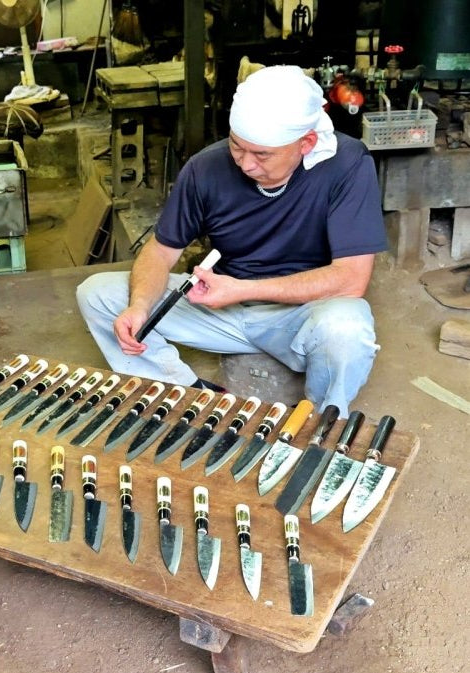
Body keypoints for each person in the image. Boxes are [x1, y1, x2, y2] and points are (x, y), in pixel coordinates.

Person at [76, 65, 387, 417]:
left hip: (301, 316)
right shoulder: (205, 168)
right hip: (221, 309)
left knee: (347, 328)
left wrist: (242, 288)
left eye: (262, 155)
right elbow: (161, 252)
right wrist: (139, 306)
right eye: (238, 147)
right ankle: (186, 395)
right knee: (97, 294)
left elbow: (351, 279)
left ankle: (319, 420)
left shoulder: (347, 165)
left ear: (306, 143)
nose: (246, 165)